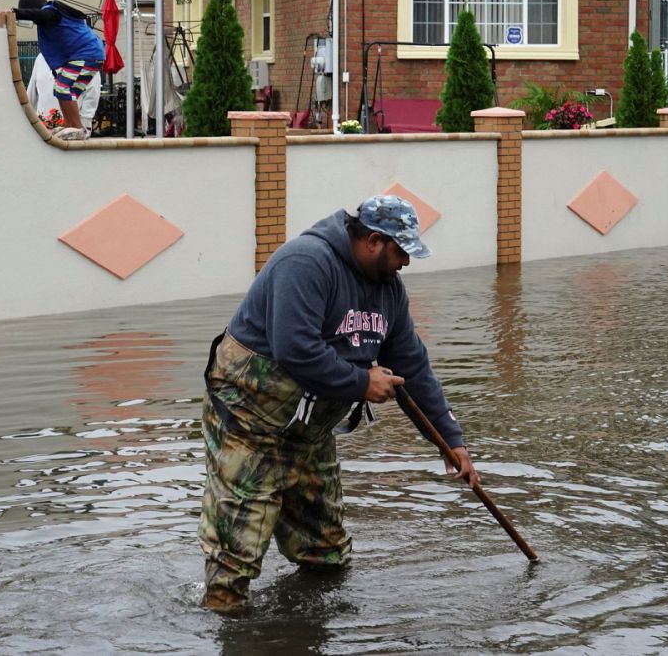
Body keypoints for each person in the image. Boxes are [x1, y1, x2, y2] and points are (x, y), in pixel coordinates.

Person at [198, 194, 477, 611]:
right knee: (234, 561)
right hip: (248, 423)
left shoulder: (389, 290)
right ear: (374, 241)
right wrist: (362, 383)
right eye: (401, 251)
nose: (406, 262)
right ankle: (227, 625)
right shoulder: (306, 262)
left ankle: (307, 629)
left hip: (309, 431)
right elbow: (294, 348)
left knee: (327, 553)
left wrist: (450, 440)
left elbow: (413, 368)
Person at [13, 0, 103, 140]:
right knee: (65, 91)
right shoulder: (55, 28)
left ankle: (77, 127)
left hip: (86, 55)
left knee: (62, 88)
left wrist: (15, 12)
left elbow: (43, 15)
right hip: (90, 55)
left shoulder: (52, 12)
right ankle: (69, 125)